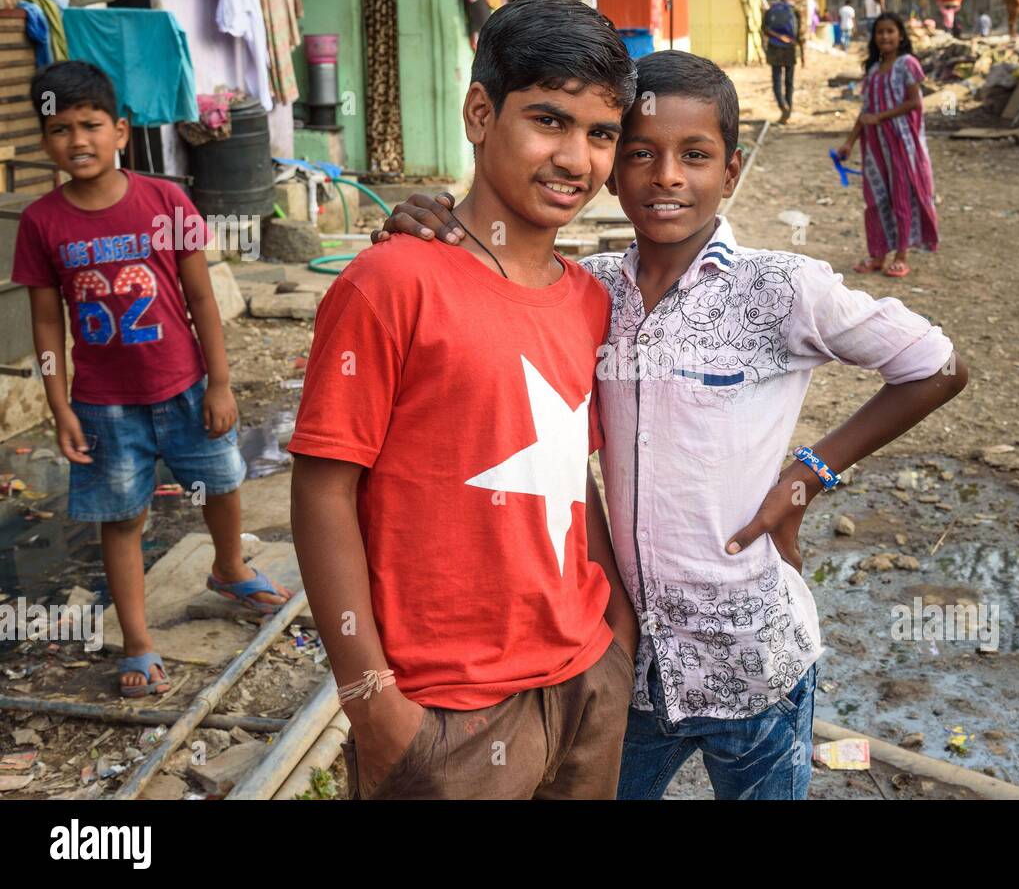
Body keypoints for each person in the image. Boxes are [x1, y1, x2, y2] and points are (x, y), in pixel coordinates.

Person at [373, 50, 968, 800]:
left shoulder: (780, 288)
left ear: (733, 169)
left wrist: (808, 474)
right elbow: (488, 290)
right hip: (635, 665)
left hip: (757, 665)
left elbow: (937, 366)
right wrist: (427, 222)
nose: (667, 178)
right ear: (613, 169)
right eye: (641, 154)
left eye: (696, 155)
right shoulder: (586, 290)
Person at [287, 0, 640, 801]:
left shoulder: (590, 299)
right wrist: (372, 702)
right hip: (444, 709)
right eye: (548, 121)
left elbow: (564, 470)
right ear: (480, 113)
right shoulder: (391, 281)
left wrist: (616, 633)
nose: (576, 159)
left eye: (600, 134)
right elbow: (323, 490)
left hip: (586, 679)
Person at [9, 60, 289, 697]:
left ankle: (229, 566)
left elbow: (202, 300)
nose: (76, 140)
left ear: (120, 130)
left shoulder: (166, 202)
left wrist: (221, 383)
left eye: (90, 124)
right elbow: (47, 328)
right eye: (58, 129)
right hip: (104, 406)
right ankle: (137, 641)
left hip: (185, 386)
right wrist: (60, 406)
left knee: (220, 484)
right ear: (44, 140)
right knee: (122, 518)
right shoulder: (41, 223)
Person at [838, 12, 939, 278]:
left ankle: (901, 255)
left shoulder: (908, 64)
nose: (885, 36)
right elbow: (865, 110)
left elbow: (914, 103)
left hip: (903, 145)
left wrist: (880, 118)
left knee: (901, 198)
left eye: (890, 31)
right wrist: (849, 142)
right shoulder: (872, 71)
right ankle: (878, 254)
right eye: (880, 32)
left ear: (900, 35)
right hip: (875, 147)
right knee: (876, 199)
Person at [763, 0, 803, 123]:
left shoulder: (771, 10)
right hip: (790, 48)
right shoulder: (795, 11)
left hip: (774, 47)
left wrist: (778, 37)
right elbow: (800, 34)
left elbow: (765, 29)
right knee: (789, 81)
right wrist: (803, 55)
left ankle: (783, 106)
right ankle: (788, 109)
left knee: (776, 79)